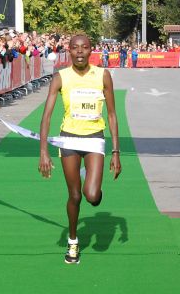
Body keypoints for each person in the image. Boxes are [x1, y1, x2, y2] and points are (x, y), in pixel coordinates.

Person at [39, 34, 122, 264]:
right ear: (69, 50)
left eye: (84, 47)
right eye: (75, 48)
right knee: (74, 195)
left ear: (91, 50)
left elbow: (112, 115)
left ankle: (93, 187)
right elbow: (46, 117)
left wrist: (116, 151)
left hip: (95, 139)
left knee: (92, 196)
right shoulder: (60, 77)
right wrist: (43, 151)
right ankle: (73, 241)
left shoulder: (102, 75)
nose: (79, 52)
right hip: (70, 140)